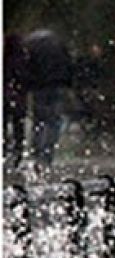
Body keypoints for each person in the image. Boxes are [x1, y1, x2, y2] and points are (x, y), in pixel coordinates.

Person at [22, 29, 73, 167]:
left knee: (39, 120)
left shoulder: (32, 47)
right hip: (57, 85)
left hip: (39, 87)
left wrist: (29, 84)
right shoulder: (58, 46)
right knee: (53, 121)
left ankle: (36, 152)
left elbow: (27, 67)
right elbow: (68, 64)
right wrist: (68, 83)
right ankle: (47, 153)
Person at [4, 33, 27, 167]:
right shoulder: (21, 59)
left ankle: (5, 151)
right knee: (18, 126)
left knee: (4, 125)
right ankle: (17, 153)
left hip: (5, 96)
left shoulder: (5, 58)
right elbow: (25, 77)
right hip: (18, 97)